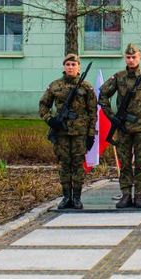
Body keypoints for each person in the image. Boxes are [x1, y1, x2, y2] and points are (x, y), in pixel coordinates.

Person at [99, 44, 141, 209]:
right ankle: (126, 195)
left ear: (139, 57)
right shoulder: (119, 77)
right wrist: (112, 117)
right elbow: (103, 95)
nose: (131, 60)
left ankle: (139, 196)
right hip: (123, 128)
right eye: (128, 57)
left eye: (134, 57)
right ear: (125, 58)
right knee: (125, 162)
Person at [39, 53, 97, 210]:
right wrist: (50, 120)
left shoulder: (86, 87)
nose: (71, 67)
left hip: (80, 133)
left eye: (73, 64)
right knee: (65, 164)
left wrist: (91, 134)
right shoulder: (55, 86)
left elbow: (93, 113)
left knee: (78, 165)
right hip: (61, 133)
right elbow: (43, 105)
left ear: (79, 67)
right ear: (64, 67)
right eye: (68, 64)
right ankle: (66, 197)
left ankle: (77, 198)